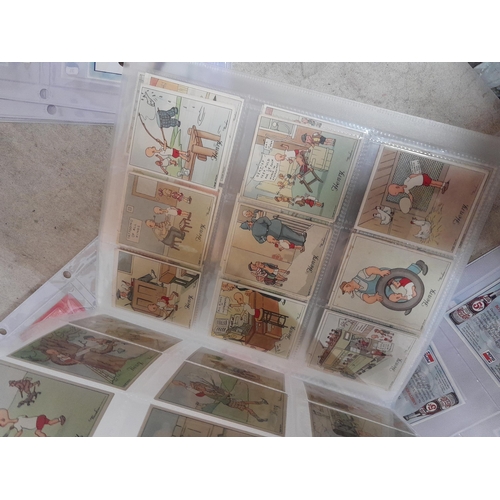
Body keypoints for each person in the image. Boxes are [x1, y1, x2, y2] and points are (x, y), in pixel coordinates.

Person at [171, 379, 269, 422]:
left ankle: (261, 403)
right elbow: (220, 398)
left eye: (199, 385)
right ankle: (258, 417)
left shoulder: (209, 389)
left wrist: (225, 392)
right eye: (198, 387)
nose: (200, 386)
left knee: (246, 403)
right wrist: (183, 385)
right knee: (246, 407)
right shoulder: (207, 393)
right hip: (229, 402)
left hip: (229, 399)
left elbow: (219, 391)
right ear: (198, 389)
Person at [339, 261, 428, 305]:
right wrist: (375, 298)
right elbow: (367, 299)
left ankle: (419, 266)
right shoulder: (358, 292)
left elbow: (370, 270)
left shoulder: (360, 276)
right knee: (392, 298)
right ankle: (408, 304)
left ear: (348, 285)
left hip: (384, 276)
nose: (348, 292)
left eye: (346, 290)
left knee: (400, 279)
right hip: (382, 290)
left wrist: (380, 272)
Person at [240, 215, 307, 252]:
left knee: (288, 239)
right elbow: (265, 218)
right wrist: (269, 224)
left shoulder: (254, 233)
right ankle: (302, 239)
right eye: (249, 223)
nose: (250, 223)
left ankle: (300, 243)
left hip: (274, 235)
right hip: (276, 227)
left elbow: (260, 241)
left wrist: (266, 237)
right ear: (249, 226)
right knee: (290, 234)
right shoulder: (257, 222)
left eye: (249, 222)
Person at [0, 408, 65, 437]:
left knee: (37, 432)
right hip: (39, 418)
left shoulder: (17, 424)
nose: (1, 425)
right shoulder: (19, 417)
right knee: (50, 422)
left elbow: (20, 432)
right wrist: (13, 425)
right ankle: (60, 419)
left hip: (37, 422)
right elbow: (25, 416)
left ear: (3, 419)